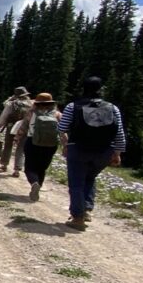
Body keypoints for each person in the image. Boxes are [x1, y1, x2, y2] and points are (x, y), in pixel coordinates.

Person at [57, 76, 126, 230]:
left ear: (83, 88)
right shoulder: (112, 108)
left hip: (78, 148)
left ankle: (78, 218)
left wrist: (65, 142)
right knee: (90, 177)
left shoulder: (72, 106)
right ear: (101, 89)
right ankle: (87, 209)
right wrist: (117, 152)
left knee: (76, 183)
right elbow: (119, 132)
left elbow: (62, 128)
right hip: (104, 150)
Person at [17, 92, 61, 201]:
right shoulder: (57, 114)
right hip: (51, 145)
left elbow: (23, 128)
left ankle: (34, 183)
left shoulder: (31, 113)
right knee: (42, 168)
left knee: (30, 167)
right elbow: (63, 129)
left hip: (33, 142)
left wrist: (17, 138)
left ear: (36, 103)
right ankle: (38, 186)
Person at [0, 86, 33, 175]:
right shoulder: (31, 104)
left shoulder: (11, 104)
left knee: (8, 145)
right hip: (24, 128)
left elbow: (4, 116)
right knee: (21, 148)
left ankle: (4, 164)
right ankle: (17, 169)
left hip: (12, 127)